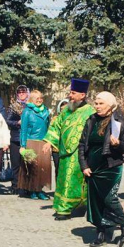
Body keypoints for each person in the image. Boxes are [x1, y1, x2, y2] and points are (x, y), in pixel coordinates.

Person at [78, 91, 124, 247]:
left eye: (101, 103)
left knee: (109, 198)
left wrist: (118, 144)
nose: (97, 106)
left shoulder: (120, 123)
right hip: (93, 168)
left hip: (111, 166)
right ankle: (101, 232)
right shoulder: (91, 120)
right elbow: (82, 144)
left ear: (110, 105)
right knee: (96, 202)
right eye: (96, 103)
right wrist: (84, 165)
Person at [43, 78, 95, 220]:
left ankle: (65, 209)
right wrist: (49, 141)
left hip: (79, 152)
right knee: (62, 179)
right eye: (70, 92)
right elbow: (56, 125)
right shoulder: (67, 109)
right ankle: (65, 206)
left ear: (82, 95)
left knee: (72, 180)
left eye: (73, 93)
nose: (70, 96)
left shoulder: (90, 112)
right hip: (64, 152)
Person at [18, 90, 51, 200]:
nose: (39, 100)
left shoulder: (46, 110)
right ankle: (32, 190)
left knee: (43, 167)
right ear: (32, 99)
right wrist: (23, 145)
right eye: (37, 98)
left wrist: (49, 141)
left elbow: (49, 127)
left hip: (43, 142)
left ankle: (40, 190)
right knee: (33, 167)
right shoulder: (27, 111)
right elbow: (23, 129)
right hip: (31, 141)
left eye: (41, 98)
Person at [4, 85, 30, 193]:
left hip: (28, 139)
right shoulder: (13, 106)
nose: (21, 94)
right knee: (16, 163)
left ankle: (26, 186)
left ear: (28, 93)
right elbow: (8, 121)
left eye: (23, 92)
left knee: (27, 164)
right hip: (16, 138)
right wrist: (17, 123)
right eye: (19, 92)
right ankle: (15, 186)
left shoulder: (31, 106)